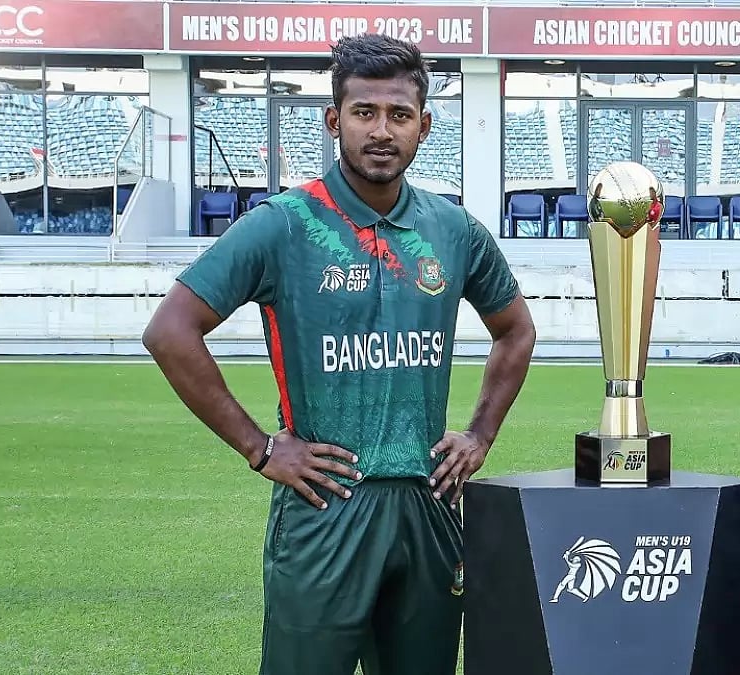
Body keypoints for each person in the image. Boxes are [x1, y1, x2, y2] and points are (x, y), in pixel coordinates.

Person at [143, 34, 536, 675]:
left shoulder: (452, 229)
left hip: (428, 505)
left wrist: (479, 435)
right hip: (327, 508)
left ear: (424, 127)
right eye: (364, 113)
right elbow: (171, 330)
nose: (382, 131)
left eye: (399, 115)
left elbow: (516, 330)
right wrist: (260, 447)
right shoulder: (287, 223)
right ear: (335, 121)